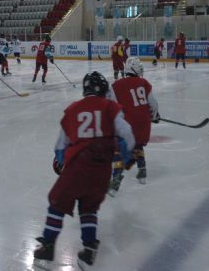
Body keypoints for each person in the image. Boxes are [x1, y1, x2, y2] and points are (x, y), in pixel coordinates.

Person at [33, 71, 135, 270]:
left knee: (57, 202)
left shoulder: (73, 109)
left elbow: (60, 145)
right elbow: (127, 134)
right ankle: (88, 252)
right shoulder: (111, 107)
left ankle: (47, 248)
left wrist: (61, 160)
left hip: (79, 167)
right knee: (89, 208)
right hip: (102, 170)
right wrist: (127, 156)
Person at [107, 57, 159, 196]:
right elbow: (153, 104)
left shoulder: (116, 85)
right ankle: (142, 171)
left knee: (118, 150)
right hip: (144, 124)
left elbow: (112, 106)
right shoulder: (144, 83)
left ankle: (115, 182)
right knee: (138, 144)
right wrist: (154, 116)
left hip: (128, 125)